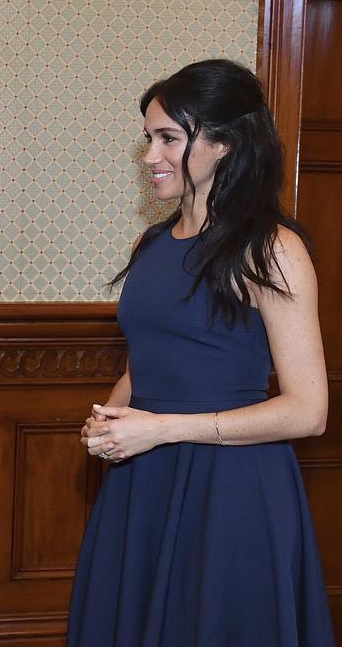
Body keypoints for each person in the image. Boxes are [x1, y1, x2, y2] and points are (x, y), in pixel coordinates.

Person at [69, 59, 332, 645]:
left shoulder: (272, 249)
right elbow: (144, 364)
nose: (150, 157)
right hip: (144, 478)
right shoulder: (152, 242)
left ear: (225, 144)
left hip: (232, 486)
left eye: (169, 139)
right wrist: (110, 419)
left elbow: (308, 411)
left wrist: (162, 428)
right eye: (148, 139)